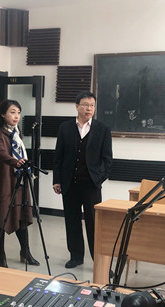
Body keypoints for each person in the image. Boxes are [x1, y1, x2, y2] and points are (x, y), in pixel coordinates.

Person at [53, 91, 113, 268]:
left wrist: (99, 179)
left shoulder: (102, 129)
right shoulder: (65, 128)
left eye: (92, 105)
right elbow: (58, 156)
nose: (89, 108)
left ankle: (98, 261)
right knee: (72, 221)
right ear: (77, 106)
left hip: (91, 185)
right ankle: (76, 256)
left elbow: (108, 158)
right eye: (85, 105)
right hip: (69, 183)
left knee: (94, 223)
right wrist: (57, 180)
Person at [0, 99, 40, 268]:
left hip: (18, 180)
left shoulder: (16, 133)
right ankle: (1, 255)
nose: (16, 116)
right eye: (12, 112)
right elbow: (0, 153)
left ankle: (25, 251)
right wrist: (16, 162)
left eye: (18, 112)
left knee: (21, 215)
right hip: (2, 181)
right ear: (2, 114)